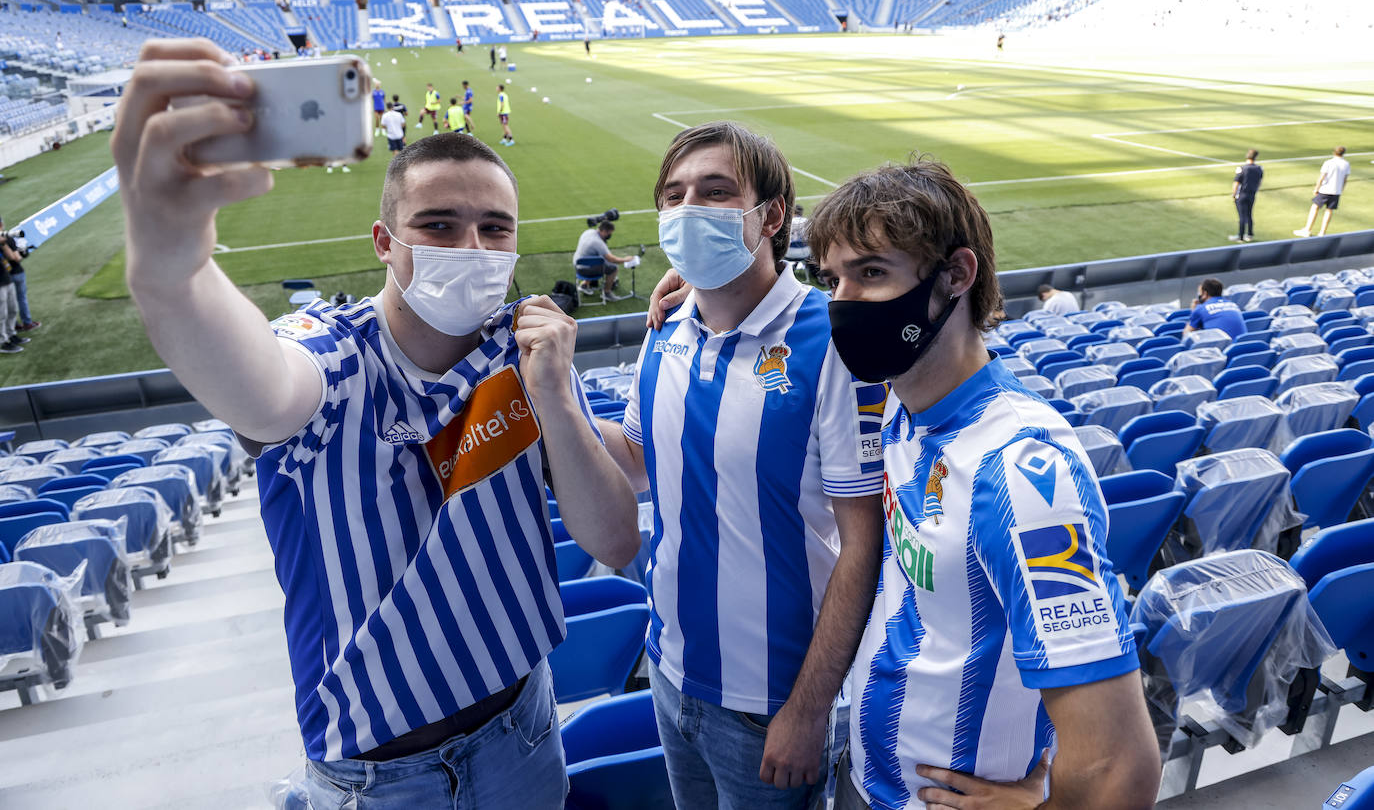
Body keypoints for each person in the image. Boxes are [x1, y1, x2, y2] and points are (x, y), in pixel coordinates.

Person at [112, 40, 641, 807]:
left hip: (525, 729)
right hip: (383, 778)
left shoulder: (525, 351)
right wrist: (171, 268)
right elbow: (264, 387)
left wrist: (556, 398)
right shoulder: (333, 356)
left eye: (495, 229)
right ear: (385, 242)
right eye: (440, 225)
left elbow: (615, 540)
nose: (472, 248)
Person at [806, 160, 1161, 810]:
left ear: (957, 274)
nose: (843, 303)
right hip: (869, 782)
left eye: (872, 273)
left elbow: (1121, 768)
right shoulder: (902, 401)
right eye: (833, 280)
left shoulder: (1021, 473)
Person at [605, 122, 887, 809]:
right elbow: (639, 463)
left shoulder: (833, 342)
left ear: (772, 216)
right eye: (673, 195)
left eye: (715, 191)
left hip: (772, 707)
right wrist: (551, 399)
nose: (688, 209)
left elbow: (865, 544)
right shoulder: (665, 328)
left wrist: (810, 709)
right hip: (669, 674)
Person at [1295, 146, 1352, 237]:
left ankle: (1307, 229)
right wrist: (1341, 190)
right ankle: (1322, 232)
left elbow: (1322, 177)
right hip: (1336, 191)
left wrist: (1316, 188)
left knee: (1314, 208)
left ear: (1334, 152)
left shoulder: (1329, 162)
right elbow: (1345, 179)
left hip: (1325, 190)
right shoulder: (1346, 164)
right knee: (1329, 210)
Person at [573, 219, 633, 302]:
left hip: (577, 265)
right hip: (585, 269)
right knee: (613, 268)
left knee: (595, 260)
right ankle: (607, 293)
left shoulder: (588, 232)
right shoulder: (598, 242)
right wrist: (626, 259)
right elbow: (612, 259)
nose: (610, 235)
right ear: (604, 231)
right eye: (609, 233)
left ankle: (585, 285)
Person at [0, 217, 37, 331]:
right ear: (1, 224)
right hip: (16, 273)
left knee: (9, 303)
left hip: (5, 275)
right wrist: (23, 254)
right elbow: (15, 258)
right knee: (21, 299)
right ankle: (27, 322)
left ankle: (14, 325)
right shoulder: (8, 239)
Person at [1230, 148, 1263, 243]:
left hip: (1242, 195)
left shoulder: (1242, 168)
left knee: (1242, 216)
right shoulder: (1259, 168)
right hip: (1252, 194)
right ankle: (1250, 234)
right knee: (1249, 214)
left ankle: (1240, 236)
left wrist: (1234, 194)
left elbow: (1236, 183)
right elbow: (1259, 182)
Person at [0, 237, 22, 354]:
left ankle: (11, 334)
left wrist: (3, 243)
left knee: (12, 310)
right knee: (1, 315)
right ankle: (2, 342)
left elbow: (11, 257)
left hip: (7, 279)